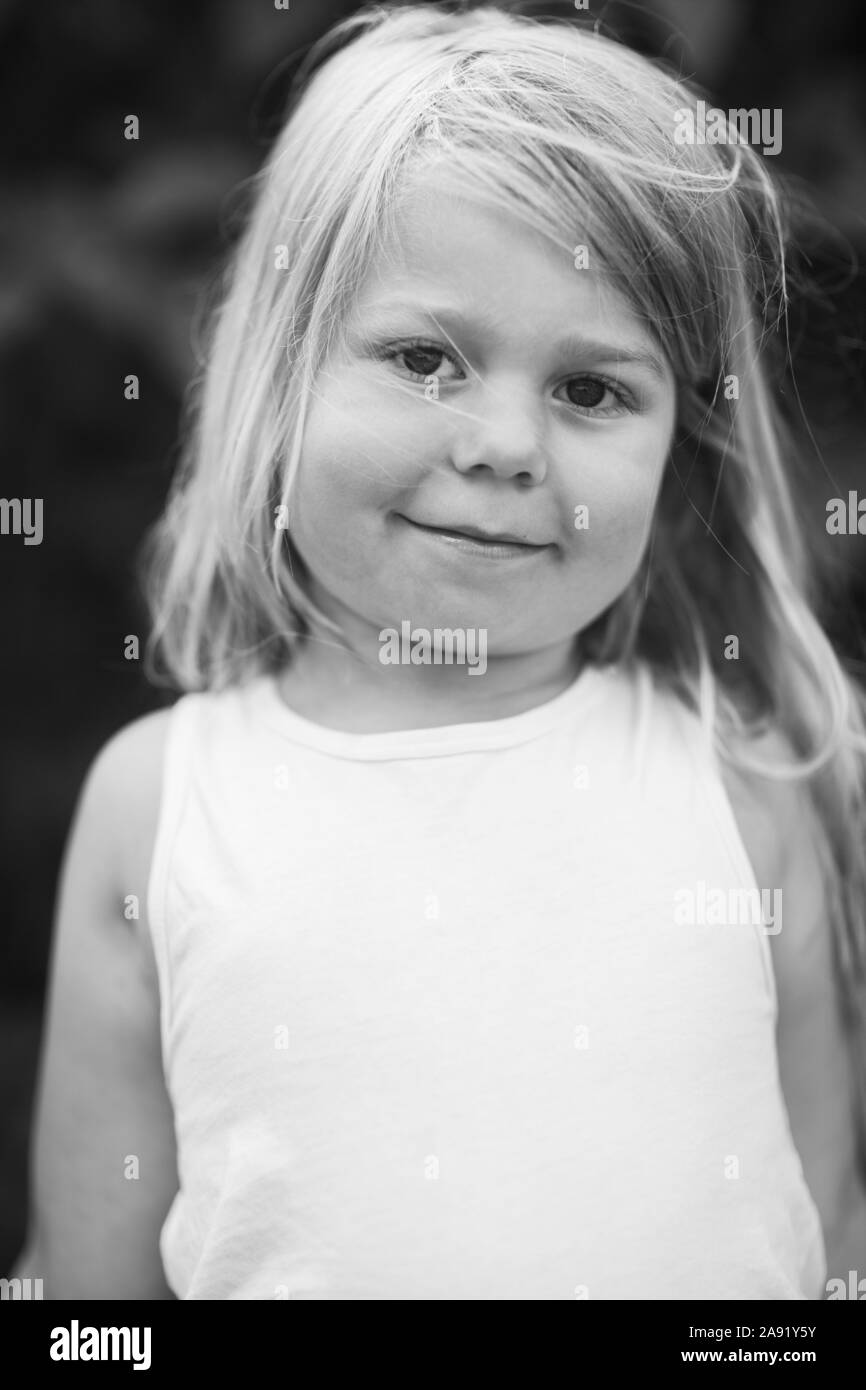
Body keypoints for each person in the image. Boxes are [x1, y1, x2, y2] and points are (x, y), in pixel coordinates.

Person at [12, 2, 866, 1299]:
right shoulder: (159, 806)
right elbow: (88, 1293)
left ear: (671, 448)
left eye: (591, 389)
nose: (506, 443)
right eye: (424, 357)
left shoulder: (738, 793)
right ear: (278, 375)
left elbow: (828, 1238)